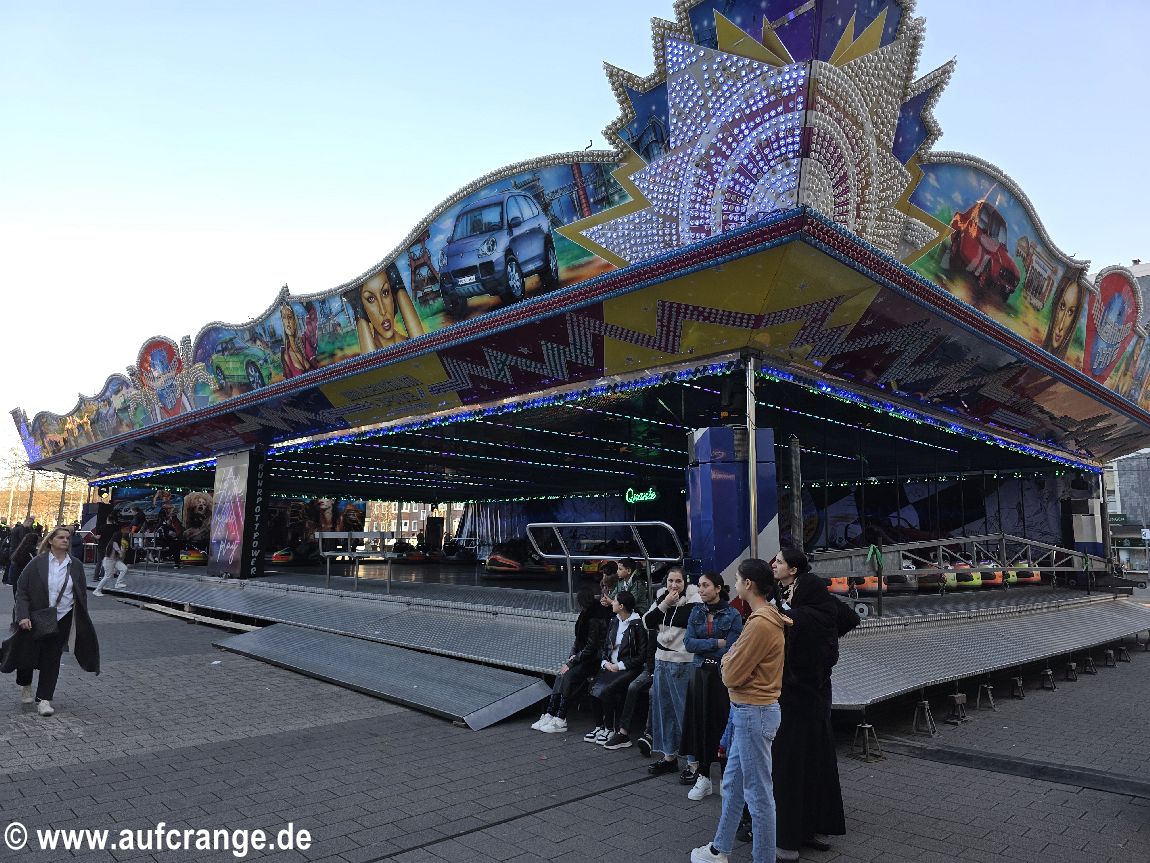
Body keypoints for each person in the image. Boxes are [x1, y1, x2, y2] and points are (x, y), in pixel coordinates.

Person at [691, 558, 790, 863]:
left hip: (753, 712)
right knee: (733, 784)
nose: (734, 584)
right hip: (747, 711)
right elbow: (733, 661)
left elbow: (731, 674)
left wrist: (726, 662)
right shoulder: (763, 618)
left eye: (736, 579)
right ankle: (719, 850)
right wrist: (729, 659)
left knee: (758, 795)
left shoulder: (760, 623)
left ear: (748, 584)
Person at [770, 547, 858, 860]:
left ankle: (788, 839)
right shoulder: (820, 604)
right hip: (819, 698)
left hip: (793, 700)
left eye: (780, 561)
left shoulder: (795, 616)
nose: (774, 565)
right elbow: (850, 617)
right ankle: (813, 827)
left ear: (794, 571)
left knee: (790, 768)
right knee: (817, 764)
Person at [2, 527, 100, 717]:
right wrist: (23, 615)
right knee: (26, 655)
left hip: (62, 618)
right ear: (50, 540)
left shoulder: (75, 565)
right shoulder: (37, 563)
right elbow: (22, 591)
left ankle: (44, 700)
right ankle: (25, 684)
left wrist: (79, 618)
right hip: (34, 617)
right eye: (60, 537)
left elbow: (81, 594)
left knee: (52, 658)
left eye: (67, 538)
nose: (65, 540)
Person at [680, 572, 743, 801]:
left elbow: (732, 647)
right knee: (700, 725)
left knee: (722, 725)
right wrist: (715, 642)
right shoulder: (696, 611)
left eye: (705, 585)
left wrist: (705, 647)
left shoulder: (733, 614)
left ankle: (727, 778)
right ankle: (704, 777)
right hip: (699, 674)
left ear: (718, 588)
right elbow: (688, 643)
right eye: (699, 585)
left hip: (722, 675)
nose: (701, 589)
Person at [644, 565, 701, 775]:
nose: (674, 585)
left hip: (683, 663)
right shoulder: (662, 598)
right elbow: (647, 622)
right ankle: (669, 756)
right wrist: (665, 604)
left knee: (684, 713)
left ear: (685, 582)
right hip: (661, 661)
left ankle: (694, 763)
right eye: (670, 581)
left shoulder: (695, 600)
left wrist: (662, 611)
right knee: (664, 710)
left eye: (678, 581)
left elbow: (685, 619)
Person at [533, 587, 614, 733]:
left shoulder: (594, 618)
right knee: (561, 674)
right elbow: (578, 641)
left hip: (595, 660)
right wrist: (572, 657)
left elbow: (592, 647)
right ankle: (551, 713)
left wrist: (573, 661)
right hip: (584, 657)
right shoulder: (586, 614)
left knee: (568, 675)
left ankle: (561, 718)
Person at [584, 591, 646, 745]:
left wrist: (619, 666)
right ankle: (600, 727)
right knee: (592, 687)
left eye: (615, 601)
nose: (613, 603)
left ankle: (610, 728)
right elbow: (606, 645)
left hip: (628, 668)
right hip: (610, 665)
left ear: (622, 606)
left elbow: (641, 656)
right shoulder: (614, 621)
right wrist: (605, 663)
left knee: (608, 690)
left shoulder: (637, 625)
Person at [348, 265, 424, 353]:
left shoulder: (415, 342)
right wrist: (359, 312)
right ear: (363, 308)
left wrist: (399, 289)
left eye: (385, 293)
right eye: (371, 299)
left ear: (393, 295)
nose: (383, 311)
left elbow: (423, 347)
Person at [279, 301, 316, 378]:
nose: (287, 322)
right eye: (284, 318)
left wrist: (307, 304)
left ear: (295, 322)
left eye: (289, 317)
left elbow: (313, 323)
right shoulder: (286, 355)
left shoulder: (305, 341)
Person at [4, 532, 38, 599]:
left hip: (17, 581)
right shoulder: (33, 552)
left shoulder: (19, 550)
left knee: (18, 601)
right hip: (28, 582)